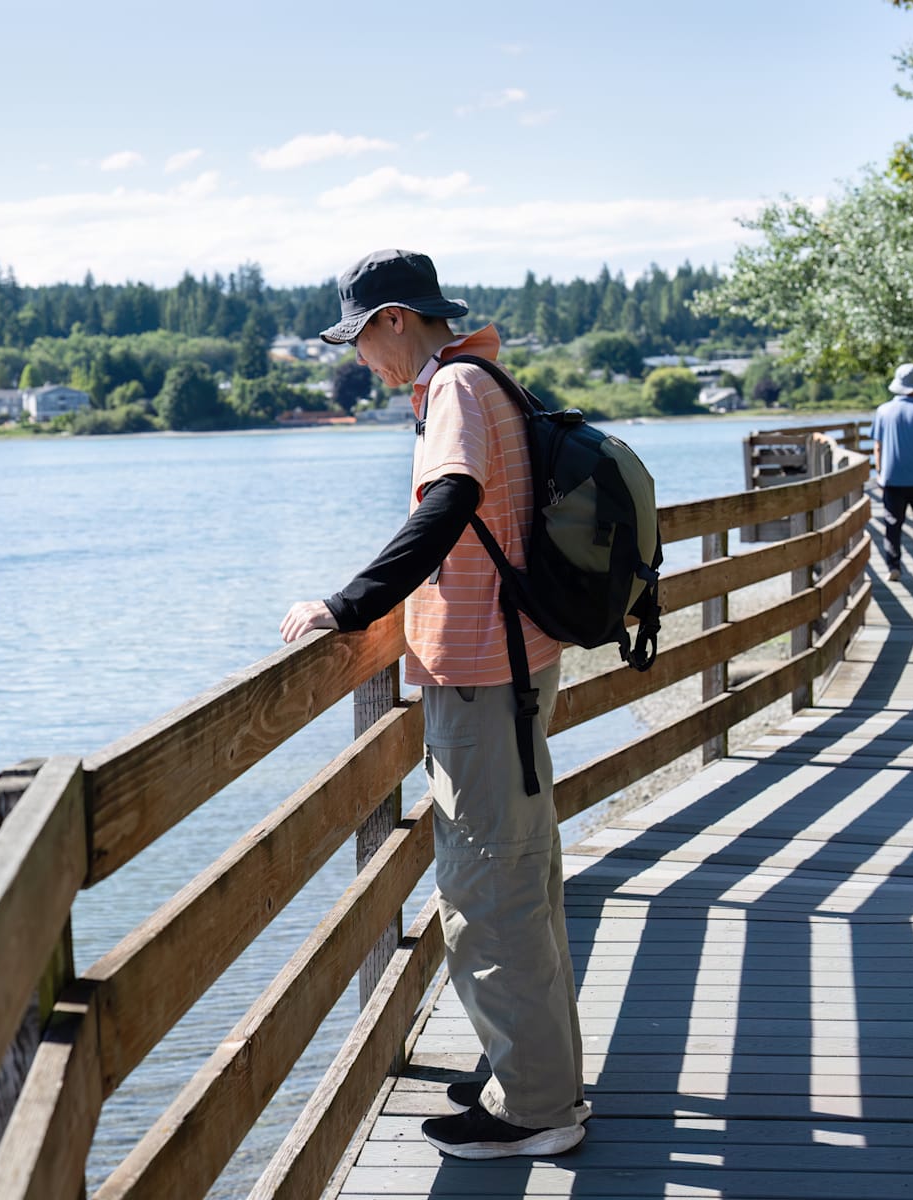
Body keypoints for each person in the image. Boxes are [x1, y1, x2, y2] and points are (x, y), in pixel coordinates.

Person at [278, 249, 588, 1160]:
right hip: (515, 665)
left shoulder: (454, 389)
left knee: (486, 887)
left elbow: (450, 501)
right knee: (520, 878)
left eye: (360, 340)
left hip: (486, 676)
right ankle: (537, 1075)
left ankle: (537, 1111)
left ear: (395, 320)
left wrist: (348, 605)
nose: (360, 363)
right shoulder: (489, 378)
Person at [871, 362, 913, 581]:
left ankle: (893, 566)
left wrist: (880, 472)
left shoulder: (883, 411)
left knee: (892, 523)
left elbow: (878, 446)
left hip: (891, 478)